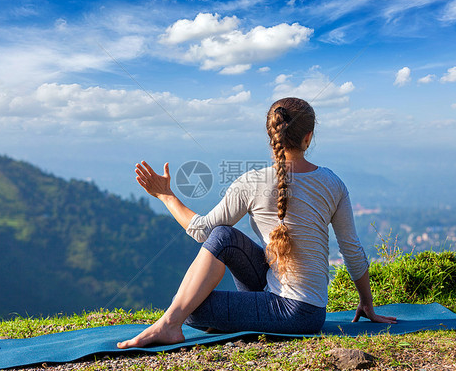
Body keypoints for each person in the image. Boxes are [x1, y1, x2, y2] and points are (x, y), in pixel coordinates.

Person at [118, 97, 396, 349]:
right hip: (310, 309)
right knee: (224, 236)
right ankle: (177, 321)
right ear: (308, 138)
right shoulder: (333, 183)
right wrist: (367, 305)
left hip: (294, 313)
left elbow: (200, 230)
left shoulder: (250, 182)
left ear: (271, 134)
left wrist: (166, 196)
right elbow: (352, 250)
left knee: (190, 308)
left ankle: (169, 325)